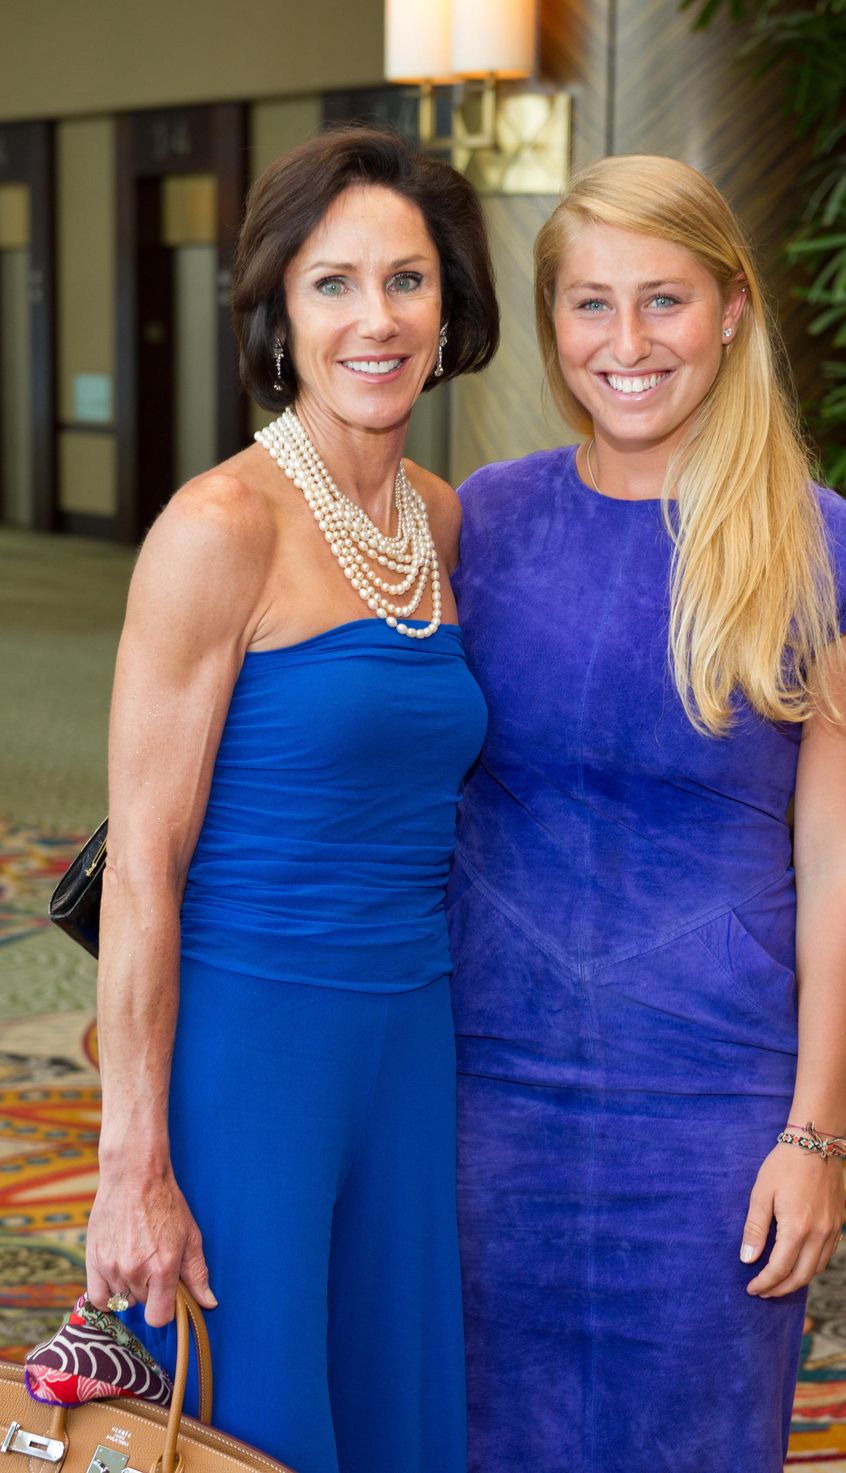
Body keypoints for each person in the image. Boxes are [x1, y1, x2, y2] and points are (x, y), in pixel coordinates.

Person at [447, 154, 846, 1473]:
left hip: (709, 1099)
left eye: (663, 299)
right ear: (552, 328)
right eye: (590, 304)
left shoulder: (832, 557)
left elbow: (839, 869)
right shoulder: (483, 521)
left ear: (732, 311)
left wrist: (814, 1134)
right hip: (480, 1083)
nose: (627, 341)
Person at [84, 125, 498, 1473]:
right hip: (253, 1042)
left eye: (407, 280)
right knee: (249, 1421)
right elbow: (141, 865)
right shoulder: (221, 528)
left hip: (410, 1032)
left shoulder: (439, 521)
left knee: (397, 1404)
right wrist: (132, 1162)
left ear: (451, 306)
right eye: (332, 284)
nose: (374, 319)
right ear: (279, 309)